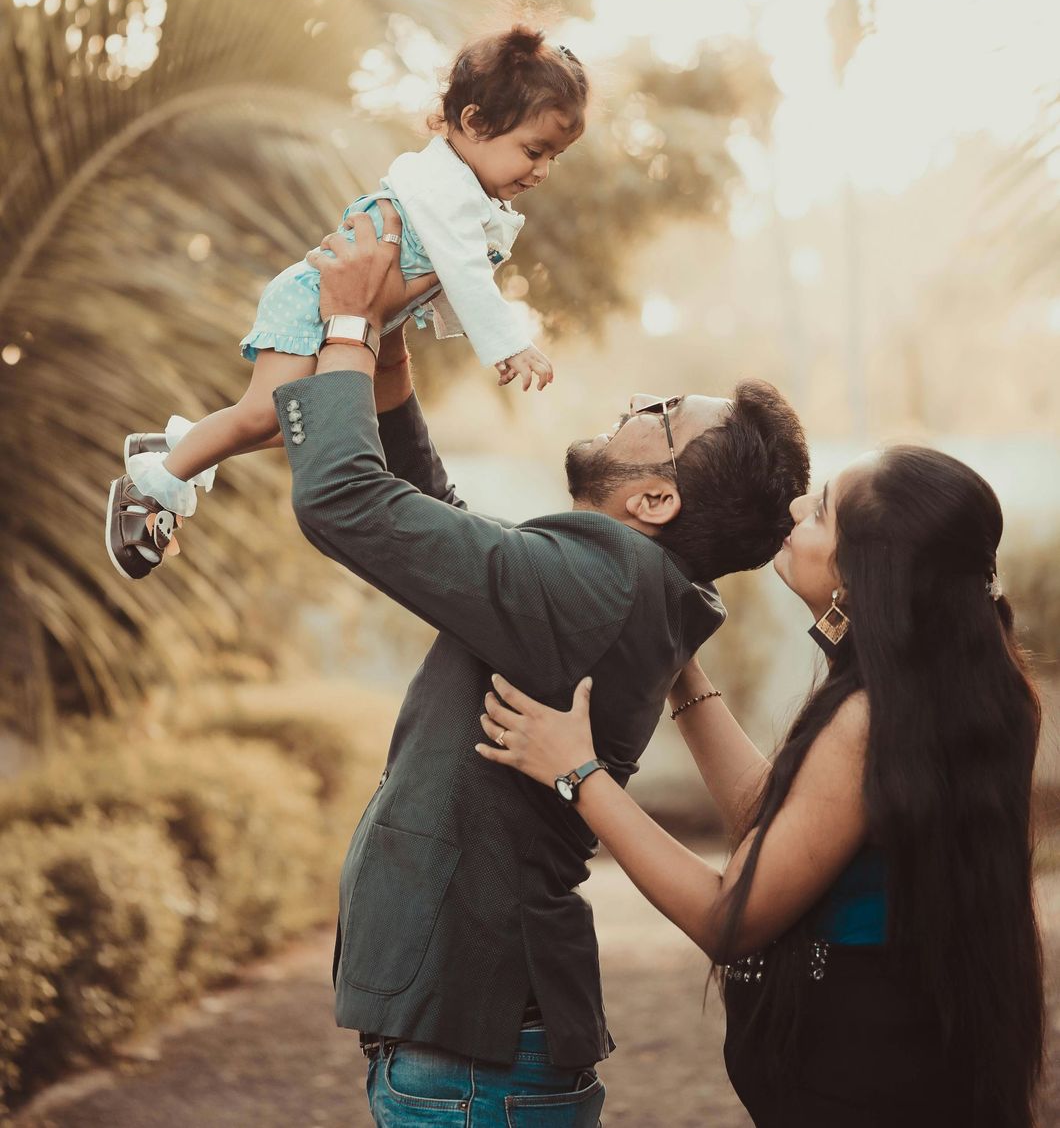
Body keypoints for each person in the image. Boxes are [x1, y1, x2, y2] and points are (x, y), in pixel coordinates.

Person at [267, 204, 809, 1127]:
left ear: (654, 496)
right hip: (487, 1053)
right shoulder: (623, 584)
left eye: (663, 415)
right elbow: (445, 525)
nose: (639, 403)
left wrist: (352, 323)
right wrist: (391, 367)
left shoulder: (600, 580)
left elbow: (344, 503)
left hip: (474, 1068)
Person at [478, 445, 1044, 1126]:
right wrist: (680, 666)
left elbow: (731, 918)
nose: (798, 506)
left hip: (858, 1091)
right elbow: (788, 825)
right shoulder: (966, 689)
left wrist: (578, 773)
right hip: (913, 1069)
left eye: (823, 509)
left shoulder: (870, 718)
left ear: (859, 573)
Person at [105, 23, 586, 581]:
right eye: (534, 150)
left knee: (290, 423)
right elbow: (464, 271)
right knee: (263, 414)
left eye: (555, 157)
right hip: (313, 302)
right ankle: (147, 488)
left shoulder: (460, 187)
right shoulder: (446, 191)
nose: (543, 171)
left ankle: (174, 446)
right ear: (474, 123)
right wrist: (510, 344)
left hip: (342, 310)